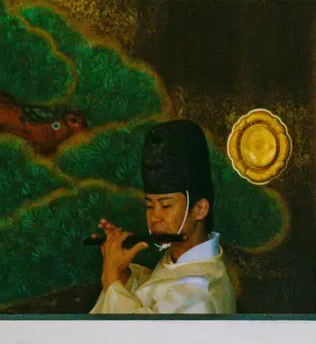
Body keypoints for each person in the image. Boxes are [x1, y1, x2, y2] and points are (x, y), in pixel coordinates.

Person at [93, 120, 236, 315]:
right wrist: (122, 274)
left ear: (200, 209)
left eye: (166, 205)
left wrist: (111, 280)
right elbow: (155, 290)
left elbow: (141, 339)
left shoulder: (201, 293)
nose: (155, 217)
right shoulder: (178, 261)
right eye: (149, 205)